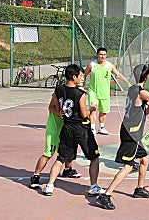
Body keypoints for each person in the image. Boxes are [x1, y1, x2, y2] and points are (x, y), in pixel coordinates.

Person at [96, 64, 149, 210]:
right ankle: (106, 195)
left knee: (145, 159)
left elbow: (140, 110)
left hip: (130, 130)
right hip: (131, 133)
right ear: (146, 77)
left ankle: (139, 189)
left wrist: (148, 107)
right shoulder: (141, 92)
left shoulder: (132, 89)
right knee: (128, 166)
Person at [42, 64, 104, 196]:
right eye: (81, 76)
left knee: (61, 158)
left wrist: (59, 112)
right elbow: (83, 114)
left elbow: (51, 107)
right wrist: (92, 109)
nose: (83, 78)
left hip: (67, 128)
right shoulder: (80, 94)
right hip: (81, 129)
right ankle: (93, 186)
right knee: (94, 157)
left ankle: (49, 185)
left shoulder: (59, 89)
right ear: (74, 77)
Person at [30, 98, 81, 189]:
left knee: (68, 150)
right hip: (54, 129)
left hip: (66, 128)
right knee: (48, 153)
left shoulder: (74, 93)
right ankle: (35, 176)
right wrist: (58, 113)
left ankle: (67, 170)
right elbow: (50, 107)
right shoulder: (58, 94)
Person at [84, 47, 131, 135]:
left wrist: (127, 83)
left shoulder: (109, 66)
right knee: (93, 109)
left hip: (105, 93)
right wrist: (79, 85)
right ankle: (92, 128)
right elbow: (84, 75)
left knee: (103, 111)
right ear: (97, 55)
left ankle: (101, 128)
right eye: (101, 54)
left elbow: (118, 74)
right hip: (93, 92)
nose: (102, 56)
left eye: (104, 55)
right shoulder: (92, 65)